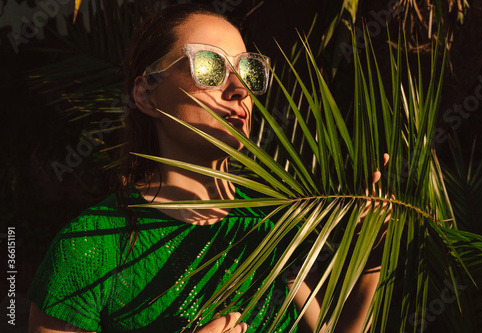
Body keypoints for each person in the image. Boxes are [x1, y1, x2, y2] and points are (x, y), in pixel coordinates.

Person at [28, 4, 385, 333]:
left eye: (249, 71)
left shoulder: (266, 227)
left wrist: (371, 261)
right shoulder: (89, 247)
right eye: (210, 67)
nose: (238, 89)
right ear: (146, 95)